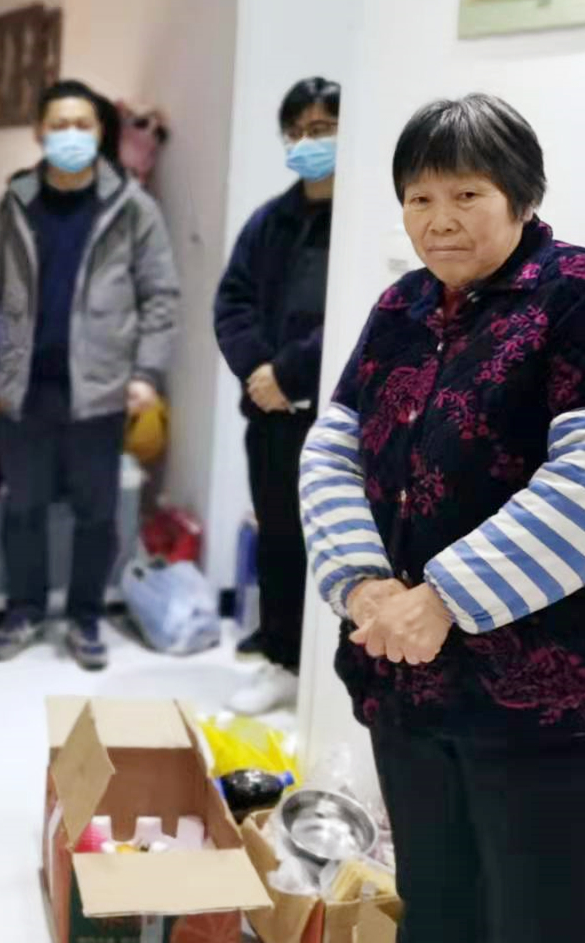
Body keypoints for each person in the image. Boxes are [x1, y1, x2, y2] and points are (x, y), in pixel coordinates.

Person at [299, 94, 585, 943]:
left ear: (521, 195)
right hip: (410, 690)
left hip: (546, 707)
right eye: (419, 198)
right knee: (436, 911)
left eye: (466, 195)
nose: (439, 220)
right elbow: (333, 447)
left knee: (536, 924)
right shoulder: (400, 308)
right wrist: (360, 584)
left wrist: (443, 599)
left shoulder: (581, 295)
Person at [0, 80, 180, 671]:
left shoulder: (132, 207)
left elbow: (160, 296)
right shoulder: (14, 203)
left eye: (83, 125)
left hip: (102, 390)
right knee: (23, 508)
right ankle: (24, 610)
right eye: (59, 125)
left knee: (97, 513)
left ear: (100, 133)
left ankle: (86, 617)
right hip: (24, 387)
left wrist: (146, 372)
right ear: (39, 132)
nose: (71, 135)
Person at [213, 76, 340, 716]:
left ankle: (331, 670)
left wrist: (289, 372)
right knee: (279, 539)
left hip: (333, 414)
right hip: (269, 417)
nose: (305, 142)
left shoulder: (362, 217)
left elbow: (350, 313)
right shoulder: (270, 220)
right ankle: (282, 658)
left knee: (337, 543)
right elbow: (231, 302)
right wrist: (258, 372)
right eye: (295, 132)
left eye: (320, 130)